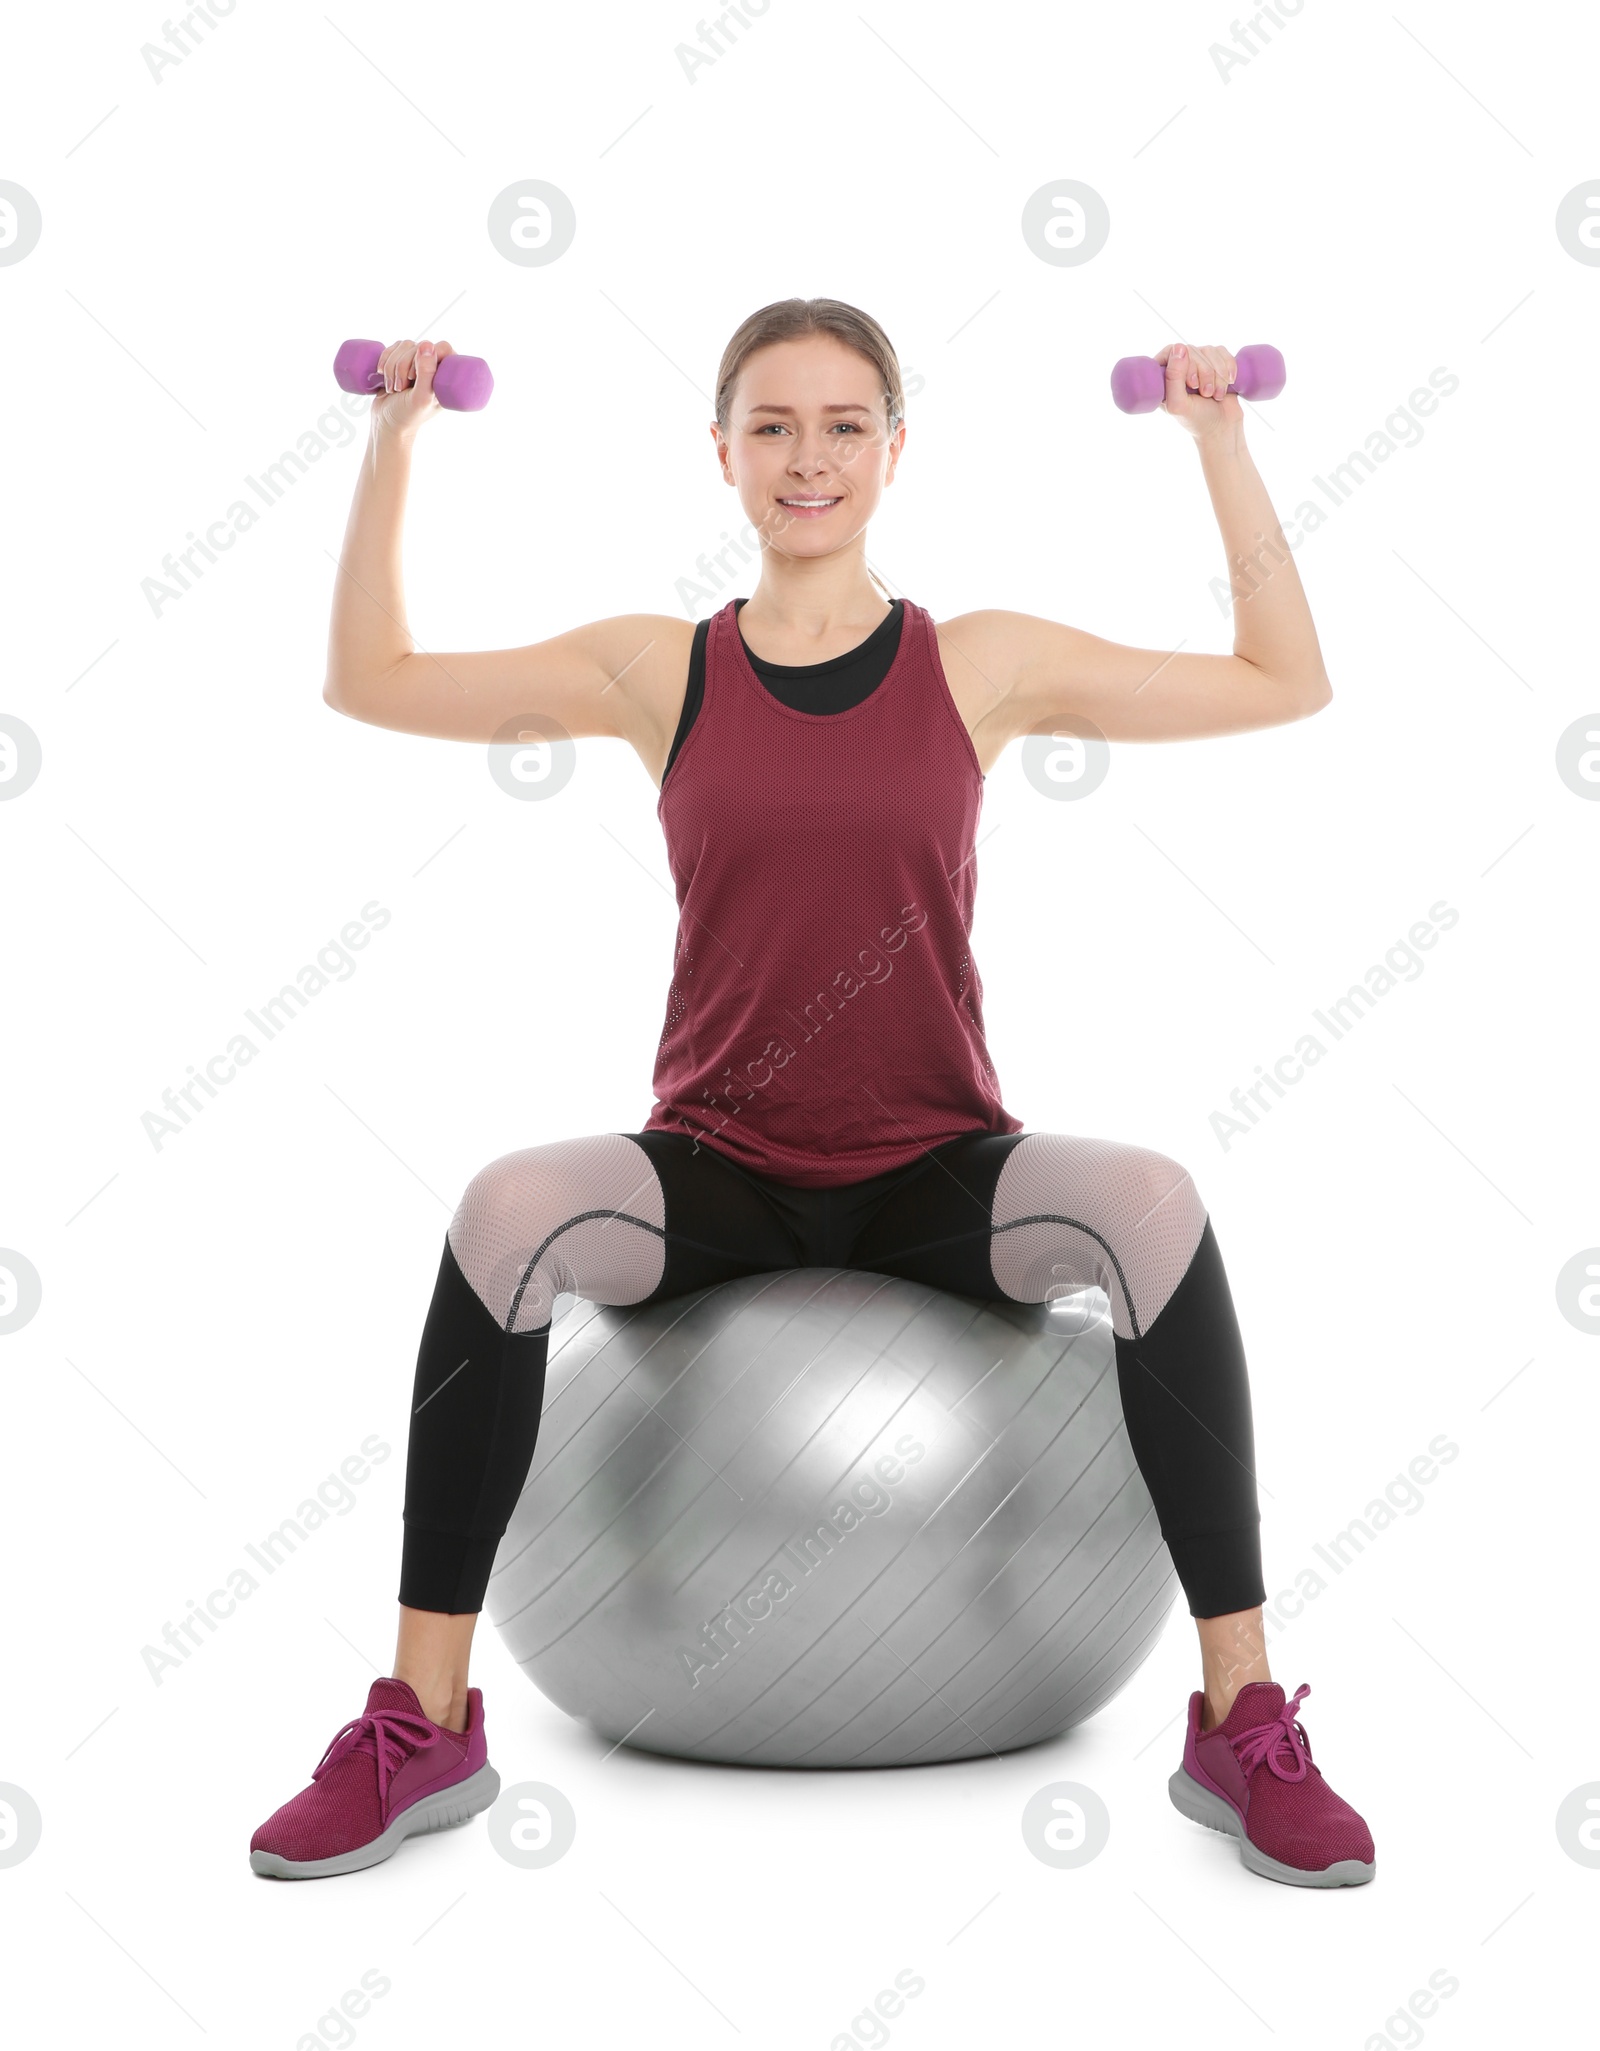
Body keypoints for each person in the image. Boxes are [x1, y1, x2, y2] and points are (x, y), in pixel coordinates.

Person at [249, 299, 1373, 1888]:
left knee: (1156, 1206)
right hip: (717, 1175)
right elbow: (371, 677)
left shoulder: (978, 663)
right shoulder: (662, 669)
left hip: (933, 1177)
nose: (809, 456)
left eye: (845, 424)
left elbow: (1285, 678)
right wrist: (390, 441)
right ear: (722, 454)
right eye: (772, 425)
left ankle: (1241, 1714)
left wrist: (1221, 443)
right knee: (506, 1209)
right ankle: (425, 1721)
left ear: (896, 453)